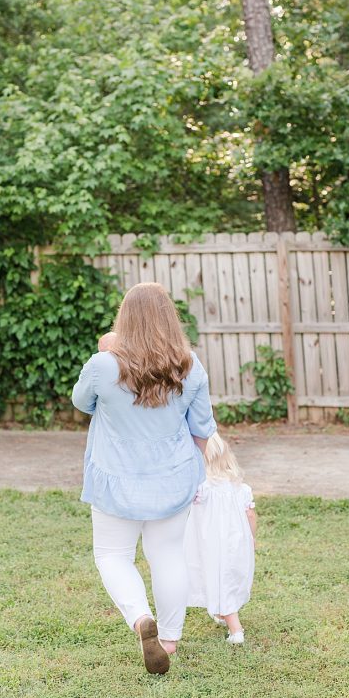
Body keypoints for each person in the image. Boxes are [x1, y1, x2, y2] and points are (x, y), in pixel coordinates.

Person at [72, 282, 216, 675]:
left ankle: (140, 620)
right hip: (173, 478)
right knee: (168, 556)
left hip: (115, 480)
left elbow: (81, 402)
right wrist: (194, 471)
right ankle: (167, 639)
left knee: (112, 555)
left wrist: (104, 351)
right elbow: (202, 428)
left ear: (125, 319)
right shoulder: (189, 363)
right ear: (170, 318)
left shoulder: (104, 365)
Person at [185, 432, 257, 644]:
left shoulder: (202, 489)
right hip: (237, 544)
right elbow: (250, 514)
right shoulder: (241, 488)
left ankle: (236, 631)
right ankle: (221, 612)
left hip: (213, 544)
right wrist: (251, 538)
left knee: (219, 578)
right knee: (228, 578)